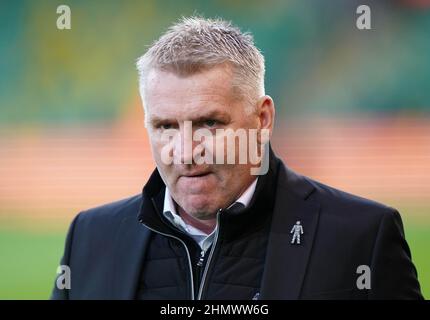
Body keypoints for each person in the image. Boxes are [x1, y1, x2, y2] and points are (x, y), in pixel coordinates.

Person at [51, 16, 422, 300]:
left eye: (209, 123)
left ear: (262, 119)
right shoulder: (90, 237)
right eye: (165, 126)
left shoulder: (361, 237)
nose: (185, 150)